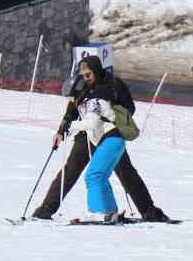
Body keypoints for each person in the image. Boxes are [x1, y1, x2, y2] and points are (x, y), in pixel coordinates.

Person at [35, 62, 171, 222]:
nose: (85, 78)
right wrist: (61, 130)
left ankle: (150, 212)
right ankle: (45, 210)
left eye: (88, 74)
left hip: (109, 133)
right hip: (87, 134)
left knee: (126, 173)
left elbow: (130, 108)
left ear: (96, 71)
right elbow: (72, 109)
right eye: (83, 75)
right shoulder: (82, 88)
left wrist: (112, 110)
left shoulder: (113, 84)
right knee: (70, 170)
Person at [49, 55, 132, 222]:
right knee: (100, 176)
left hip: (111, 138)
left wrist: (71, 127)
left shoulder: (94, 100)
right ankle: (110, 212)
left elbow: (92, 122)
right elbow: (74, 115)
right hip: (110, 140)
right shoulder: (85, 100)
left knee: (93, 175)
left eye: (72, 97)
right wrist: (62, 129)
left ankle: (98, 211)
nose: (71, 101)